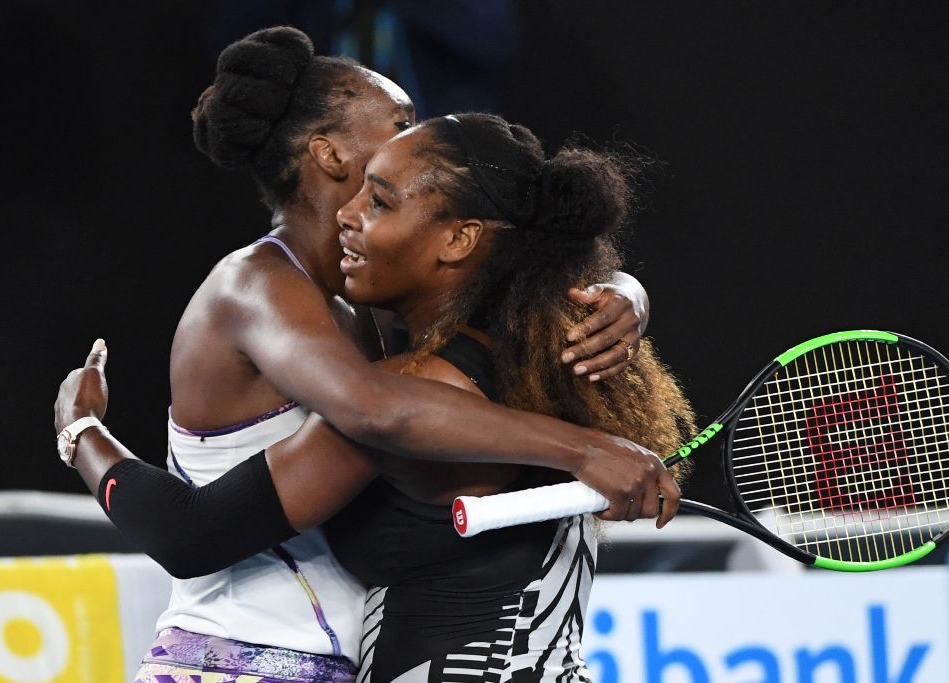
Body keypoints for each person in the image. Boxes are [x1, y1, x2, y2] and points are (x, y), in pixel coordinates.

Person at [53, 27, 677, 682]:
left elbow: (521, 261)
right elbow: (372, 410)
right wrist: (80, 430)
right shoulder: (256, 286)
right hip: (233, 663)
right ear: (329, 153)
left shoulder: (376, 305)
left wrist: (618, 292)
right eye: (402, 122)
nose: (419, 135)